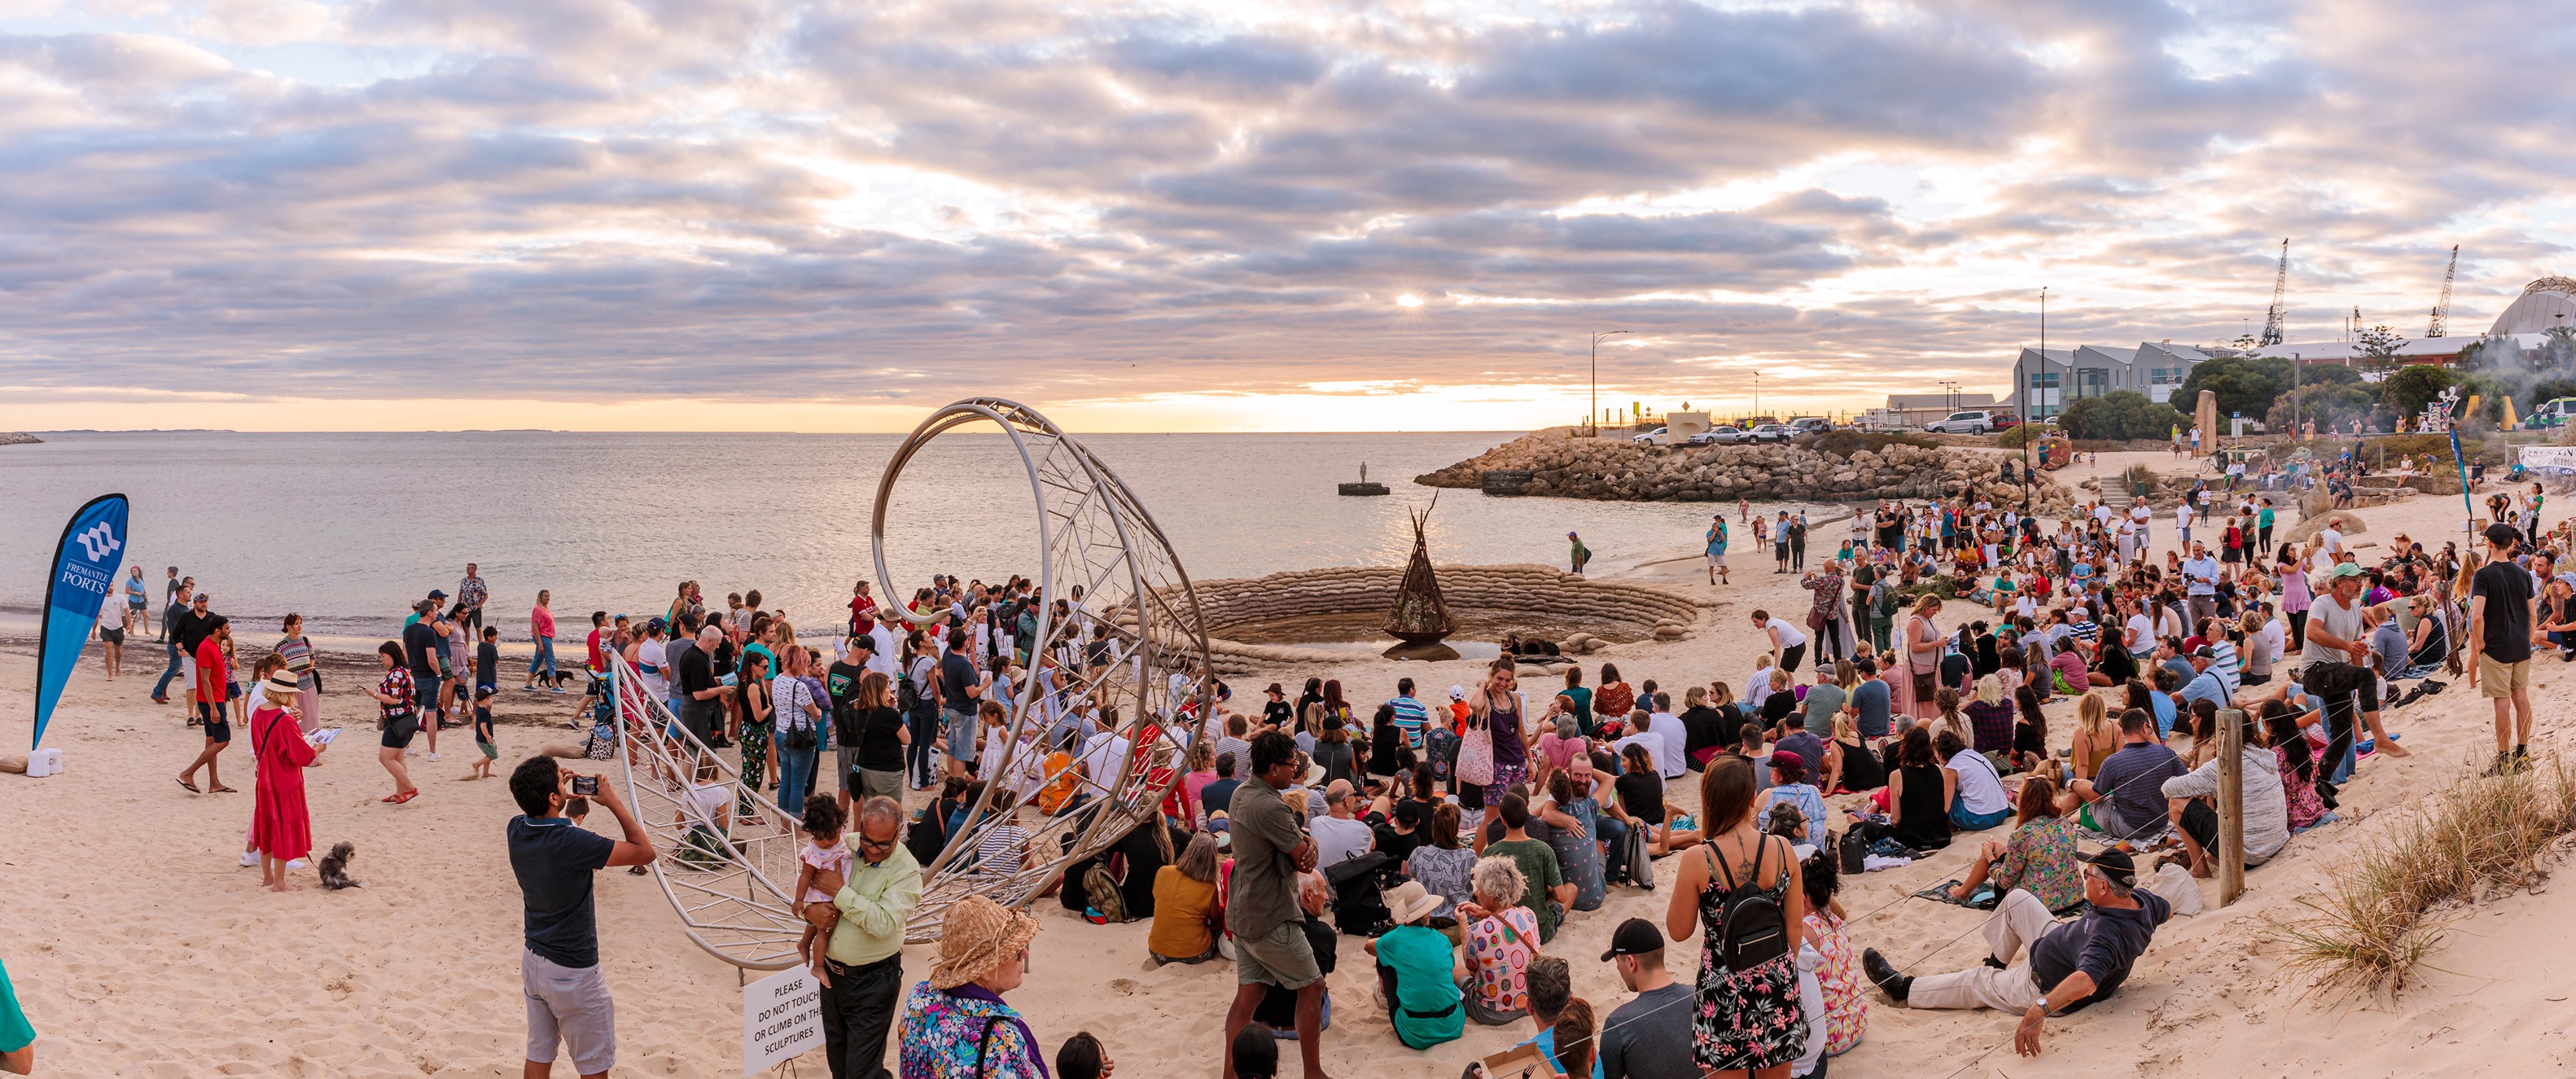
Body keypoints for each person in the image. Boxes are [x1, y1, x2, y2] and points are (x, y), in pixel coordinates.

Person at [1861, 849, 2171, 1059]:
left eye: (2088, 875)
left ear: (2104, 888)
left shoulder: (2106, 935)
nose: (2083, 877)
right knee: (2018, 899)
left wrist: (2040, 1008)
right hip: (2058, 942)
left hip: (2043, 984)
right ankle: (1997, 964)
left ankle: (1905, 989)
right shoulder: (2141, 902)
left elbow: (2086, 981)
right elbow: (2166, 910)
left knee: (1976, 982)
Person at [508, 755, 656, 1079]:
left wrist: (559, 797)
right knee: (592, 1065)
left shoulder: (516, 829)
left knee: (539, 1051)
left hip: (534, 959)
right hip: (574, 970)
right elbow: (645, 852)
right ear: (552, 797)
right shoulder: (572, 841)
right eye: (560, 784)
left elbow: (547, 823)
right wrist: (613, 802)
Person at [1665, 755, 1805, 1077]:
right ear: (1752, 798)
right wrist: (1775, 971)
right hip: (1775, 983)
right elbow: (1794, 928)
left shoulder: (1698, 858)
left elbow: (1678, 930)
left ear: (1709, 799)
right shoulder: (1784, 849)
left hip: (1722, 988)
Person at [1223, 731, 1325, 1079]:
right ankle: (1313, 1072)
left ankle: (1230, 1073)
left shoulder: (1242, 793)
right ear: (1272, 768)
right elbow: (1304, 861)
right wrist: (1307, 844)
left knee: (1248, 997)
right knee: (1312, 987)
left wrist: (1303, 843)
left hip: (1243, 909)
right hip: (1269, 914)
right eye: (1291, 765)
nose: (1296, 770)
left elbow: (1297, 848)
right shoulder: (1270, 805)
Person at [819, 796, 921, 1079]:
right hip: (831, 977)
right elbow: (811, 887)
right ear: (860, 826)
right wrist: (810, 913)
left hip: (873, 981)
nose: (872, 850)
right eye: (867, 840)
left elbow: (885, 923)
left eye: (882, 844)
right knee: (838, 1061)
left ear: (898, 834)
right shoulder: (845, 846)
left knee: (860, 1071)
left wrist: (840, 893)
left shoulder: (907, 870)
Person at [898, 896, 1048, 1079]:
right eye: (1017, 950)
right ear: (985, 969)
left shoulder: (920, 997)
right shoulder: (1001, 1039)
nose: (1025, 954)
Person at [2162, 709, 2289, 877]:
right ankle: (2210, 856)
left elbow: (2169, 789)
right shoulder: (2265, 754)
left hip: (2248, 855)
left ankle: (2199, 868)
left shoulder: (2226, 762)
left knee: (2176, 802)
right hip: (2275, 842)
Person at [2469, 523, 2543, 774]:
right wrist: (2529, 638)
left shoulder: (2483, 575)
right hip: (2520, 643)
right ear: (2510, 543)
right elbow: (2533, 615)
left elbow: (2477, 616)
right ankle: (2522, 754)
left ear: (2489, 543)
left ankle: (2503, 758)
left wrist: (2479, 643)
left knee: (2502, 702)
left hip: (2496, 646)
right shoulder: (2523, 573)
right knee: (2521, 697)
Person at [1946, 775, 2079, 909]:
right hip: (2071, 896)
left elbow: (2004, 880)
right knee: (1997, 847)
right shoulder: (2064, 823)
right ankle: (1964, 890)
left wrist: (1989, 856)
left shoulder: (2023, 834)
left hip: (2039, 905)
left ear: (2026, 802)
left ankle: (1962, 892)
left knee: (1990, 851)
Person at [247, 671, 325, 892]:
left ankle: (268, 877)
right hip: (283, 779)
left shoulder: (259, 713)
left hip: (264, 777)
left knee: (268, 825)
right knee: (282, 827)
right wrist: (317, 748)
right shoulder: (284, 720)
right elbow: (300, 756)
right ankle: (279, 882)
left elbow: (258, 743)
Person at [1365, 880, 1464, 1049]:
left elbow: (1369, 947)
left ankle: (1382, 992)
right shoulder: (1443, 940)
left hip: (1413, 1032)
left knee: (1384, 959)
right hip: (1453, 1024)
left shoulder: (1394, 939)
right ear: (1428, 912)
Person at [1596, 917, 1695, 1079]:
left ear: (1630, 963)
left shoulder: (1618, 1023)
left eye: (1617, 962)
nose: (1617, 968)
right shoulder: (1700, 997)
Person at [2070, 709, 2183, 843]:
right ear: (2145, 727)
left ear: (2123, 731)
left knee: (2091, 793)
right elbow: (2185, 781)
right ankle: (2073, 817)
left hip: (2130, 828)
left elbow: (2095, 798)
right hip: (2160, 822)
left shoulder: (2112, 762)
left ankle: (2069, 820)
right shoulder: (2167, 752)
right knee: (2099, 789)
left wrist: (2073, 784)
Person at [1459, 855, 1542, 1024]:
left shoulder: (1477, 931)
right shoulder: (1528, 915)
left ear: (1492, 893)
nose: (1476, 893)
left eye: (1480, 888)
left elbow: (1470, 966)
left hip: (1491, 1012)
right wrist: (1488, 914)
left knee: (1455, 970)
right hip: (1528, 1004)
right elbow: (1505, 926)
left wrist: (1463, 925)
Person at [1482, 792, 1571, 943]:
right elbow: (1562, 897)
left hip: (1504, 929)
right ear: (1526, 816)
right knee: (1572, 889)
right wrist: (1548, 892)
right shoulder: (1543, 849)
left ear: (1503, 820)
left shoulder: (1490, 853)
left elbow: (1484, 897)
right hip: (1538, 930)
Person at [176, 615, 236, 794]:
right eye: (226, 627)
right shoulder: (205, 648)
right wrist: (213, 707)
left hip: (215, 699)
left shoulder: (214, 647)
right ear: (218, 630)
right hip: (211, 701)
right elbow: (204, 679)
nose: (229, 630)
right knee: (224, 740)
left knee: (211, 741)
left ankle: (214, 783)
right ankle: (188, 773)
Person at [1150, 831, 1224, 965]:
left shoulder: (1163, 872)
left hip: (1156, 951)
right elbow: (1215, 919)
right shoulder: (1209, 886)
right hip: (1193, 954)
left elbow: (1157, 897)